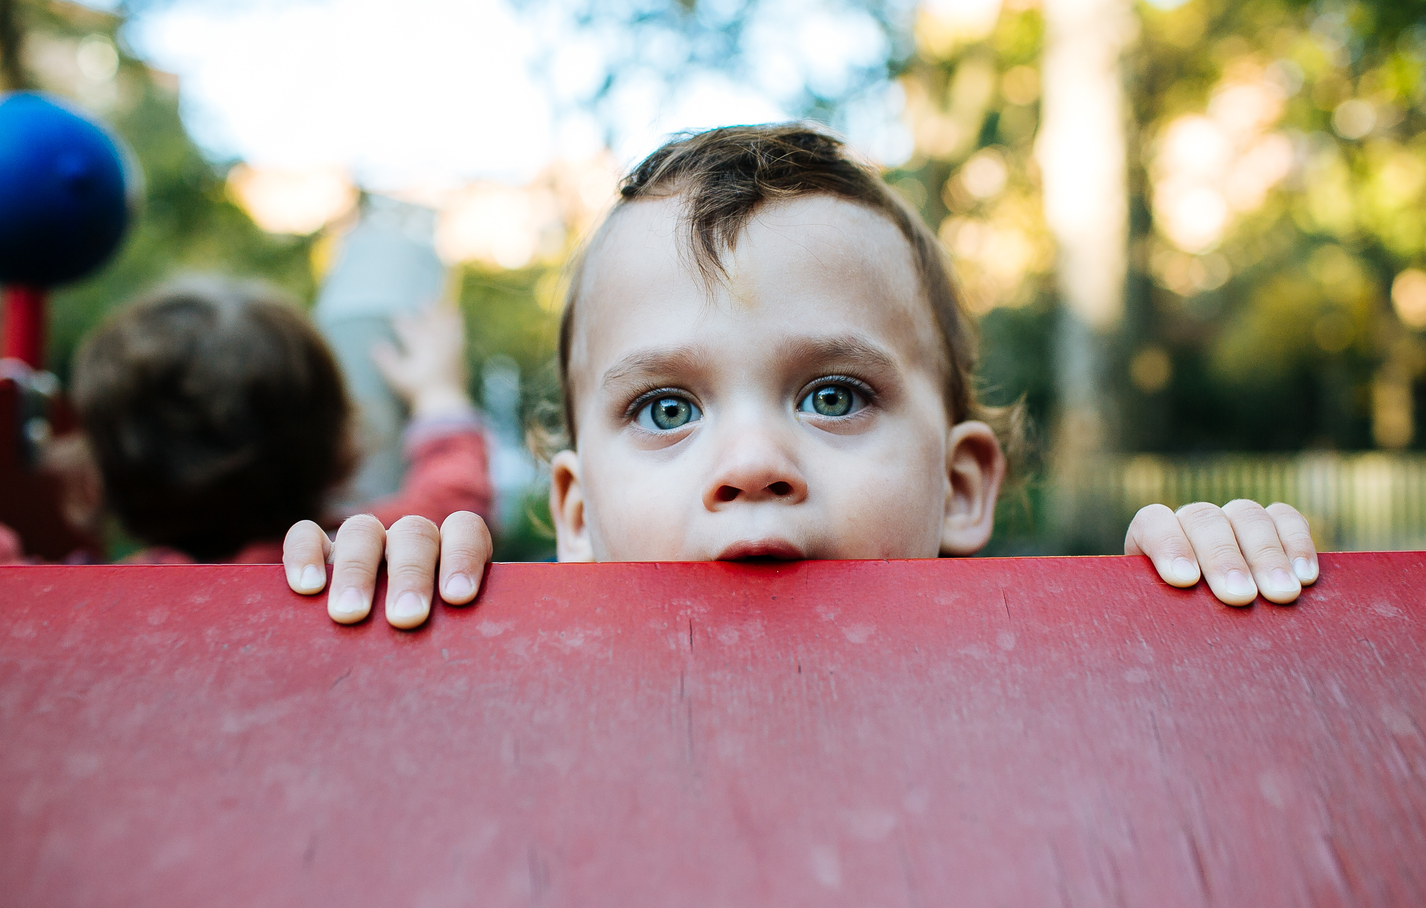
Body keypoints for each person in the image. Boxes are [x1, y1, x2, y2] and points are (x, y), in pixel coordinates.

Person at [282, 124, 1318, 629]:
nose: (751, 464)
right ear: (577, 511)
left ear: (959, 487)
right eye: (667, 407)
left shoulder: (1043, 704)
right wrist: (388, 618)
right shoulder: (521, 726)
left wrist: (1201, 609)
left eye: (833, 396)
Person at [69, 277, 490, 564]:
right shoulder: (362, 554)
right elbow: (454, 501)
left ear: (103, 473)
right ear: (342, 443)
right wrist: (439, 392)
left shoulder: (83, 606)